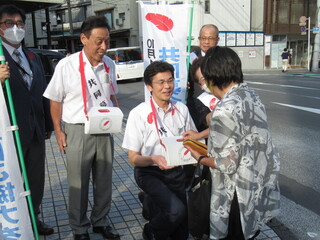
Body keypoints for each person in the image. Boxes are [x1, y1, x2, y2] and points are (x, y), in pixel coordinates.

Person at [184, 46, 280, 240]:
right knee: (250, 231)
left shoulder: (223, 109)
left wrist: (200, 157)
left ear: (213, 78)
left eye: (205, 81)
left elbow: (226, 164)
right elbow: (240, 132)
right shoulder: (250, 95)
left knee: (235, 232)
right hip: (258, 179)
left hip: (237, 191)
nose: (205, 86)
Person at [43, 16, 120, 240]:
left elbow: (112, 96)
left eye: (107, 41)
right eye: (98, 41)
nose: (104, 47)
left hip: (104, 129)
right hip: (77, 129)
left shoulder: (110, 64)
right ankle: (79, 228)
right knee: (78, 182)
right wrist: (58, 130)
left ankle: (100, 222)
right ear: (83, 39)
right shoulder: (67, 65)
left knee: (104, 180)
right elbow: (55, 99)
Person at [122, 61, 197, 240]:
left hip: (176, 172)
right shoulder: (138, 114)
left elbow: (193, 142)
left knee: (182, 234)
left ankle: (153, 213)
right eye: (160, 82)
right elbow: (133, 158)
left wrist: (197, 152)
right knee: (175, 211)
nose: (167, 86)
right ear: (149, 86)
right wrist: (154, 159)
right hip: (149, 172)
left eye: (170, 81)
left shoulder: (181, 109)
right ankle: (151, 230)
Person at [0, 4, 54, 235]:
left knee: (35, 180)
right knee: (10, 180)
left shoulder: (31, 56)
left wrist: (48, 126)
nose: (15, 28)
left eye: (20, 24)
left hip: (35, 131)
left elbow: (42, 92)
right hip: (8, 133)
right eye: (8, 23)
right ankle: (9, 222)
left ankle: (33, 217)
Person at [187, 24, 219, 131]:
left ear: (217, 40)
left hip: (218, 104)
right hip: (196, 105)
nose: (206, 42)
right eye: (203, 38)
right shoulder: (190, 58)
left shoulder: (224, 58)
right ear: (199, 39)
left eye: (211, 38)